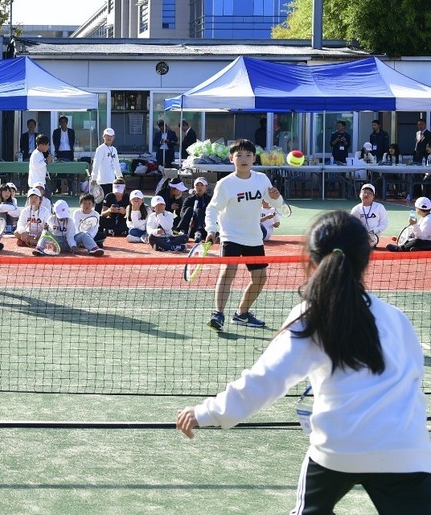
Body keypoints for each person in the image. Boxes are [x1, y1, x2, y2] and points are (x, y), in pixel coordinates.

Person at [177, 210, 431, 514]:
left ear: (310, 262)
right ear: (367, 260)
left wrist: (207, 412)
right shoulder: (396, 318)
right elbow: (413, 380)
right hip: (406, 449)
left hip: (338, 449)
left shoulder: (309, 317)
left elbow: (265, 380)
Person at [205, 139, 283, 331]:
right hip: (230, 236)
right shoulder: (225, 184)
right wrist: (211, 229)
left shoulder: (261, 179)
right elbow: (212, 209)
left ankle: (242, 313)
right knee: (228, 272)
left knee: (260, 278)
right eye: (239, 155)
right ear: (232, 159)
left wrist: (276, 197)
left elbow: (279, 205)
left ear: (254, 158)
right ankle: (218, 314)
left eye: (248, 155)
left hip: (254, 237)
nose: (244, 159)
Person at [90, 128, 123, 198]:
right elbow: (96, 164)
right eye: (107, 136)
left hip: (112, 181)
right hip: (102, 181)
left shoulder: (114, 150)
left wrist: (119, 176)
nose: (109, 138)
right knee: (99, 202)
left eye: (111, 136)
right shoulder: (100, 149)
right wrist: (94, 178)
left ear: (113, 137)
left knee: (110, 202)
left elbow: (116, 164)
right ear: (103, 136)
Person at [176, 177, 211, 241]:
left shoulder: (209, 199)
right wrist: (192, 219)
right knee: (189, 209)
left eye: (202, 185)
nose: (199, 187)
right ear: (194, 187)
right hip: (189, 224)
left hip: (203, 225)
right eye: (197, 185)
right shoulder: (189, 199)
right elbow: (182, 213)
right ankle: (182, 231)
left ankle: (198, 232)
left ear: (205, 187)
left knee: (199, 210)